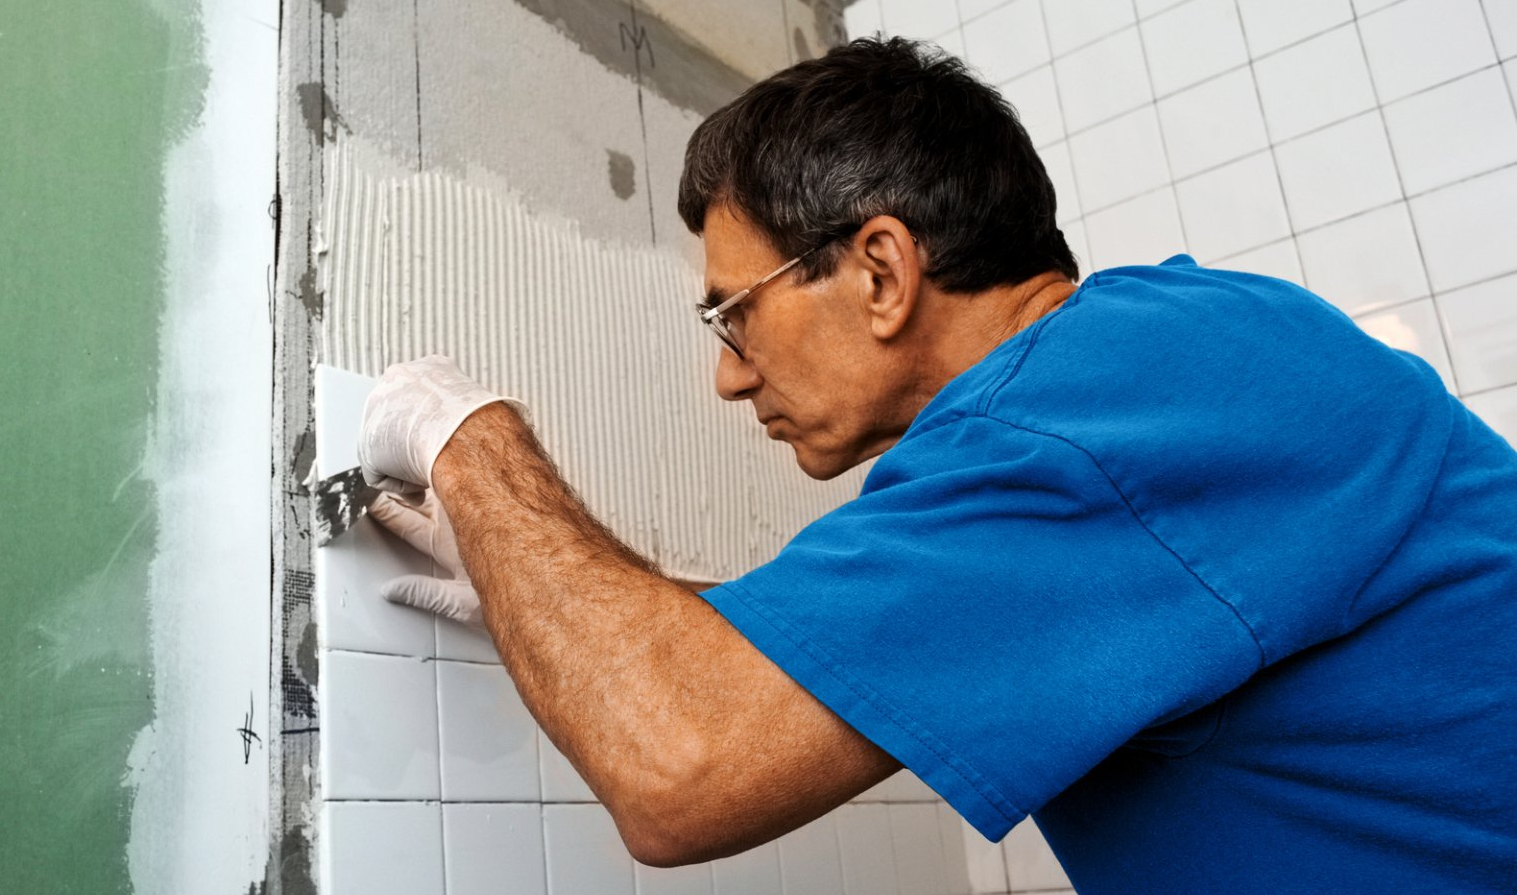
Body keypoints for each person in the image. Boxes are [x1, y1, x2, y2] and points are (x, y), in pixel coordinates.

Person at [353, 37, 1517, 894]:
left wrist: (469, 439)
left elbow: (680, 770)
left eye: (731, 317)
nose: (728, 376)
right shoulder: (1151, 370)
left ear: (879, 271)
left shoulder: (1079, 418)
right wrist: (536, 594)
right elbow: (861, 662)